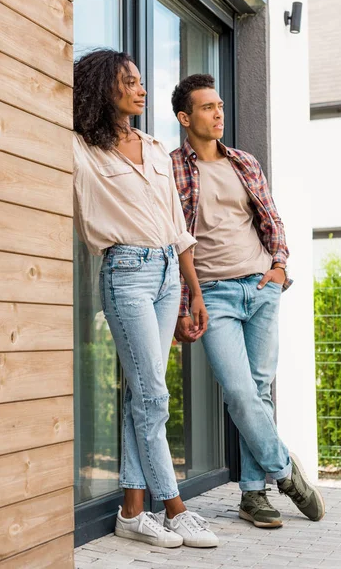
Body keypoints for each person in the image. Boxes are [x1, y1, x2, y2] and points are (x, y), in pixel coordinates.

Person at [73, 51, 218, 548]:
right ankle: (176, 508)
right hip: (126, 275)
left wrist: (193, 291)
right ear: (102, 89)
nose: (141, 88)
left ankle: (133, 511)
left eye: (141, 80)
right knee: (155, 396)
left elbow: (178, 227)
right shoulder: (80, 149)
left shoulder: (156, 148)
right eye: (129, 81)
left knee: (144, 393)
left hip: (167, 277)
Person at [170, 74, 325, 529]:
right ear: (185, 117)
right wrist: (185, 301)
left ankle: (253, 496)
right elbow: (173, 241)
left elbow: (272, 219)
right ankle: (286, 471)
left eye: (219, 105)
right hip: (212, 294)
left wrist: (278, 269)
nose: (218, 113)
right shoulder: (173, 168)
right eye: (206, 107)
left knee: (258, 392)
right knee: (239, 391)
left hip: (260, 287)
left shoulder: (244, 162)